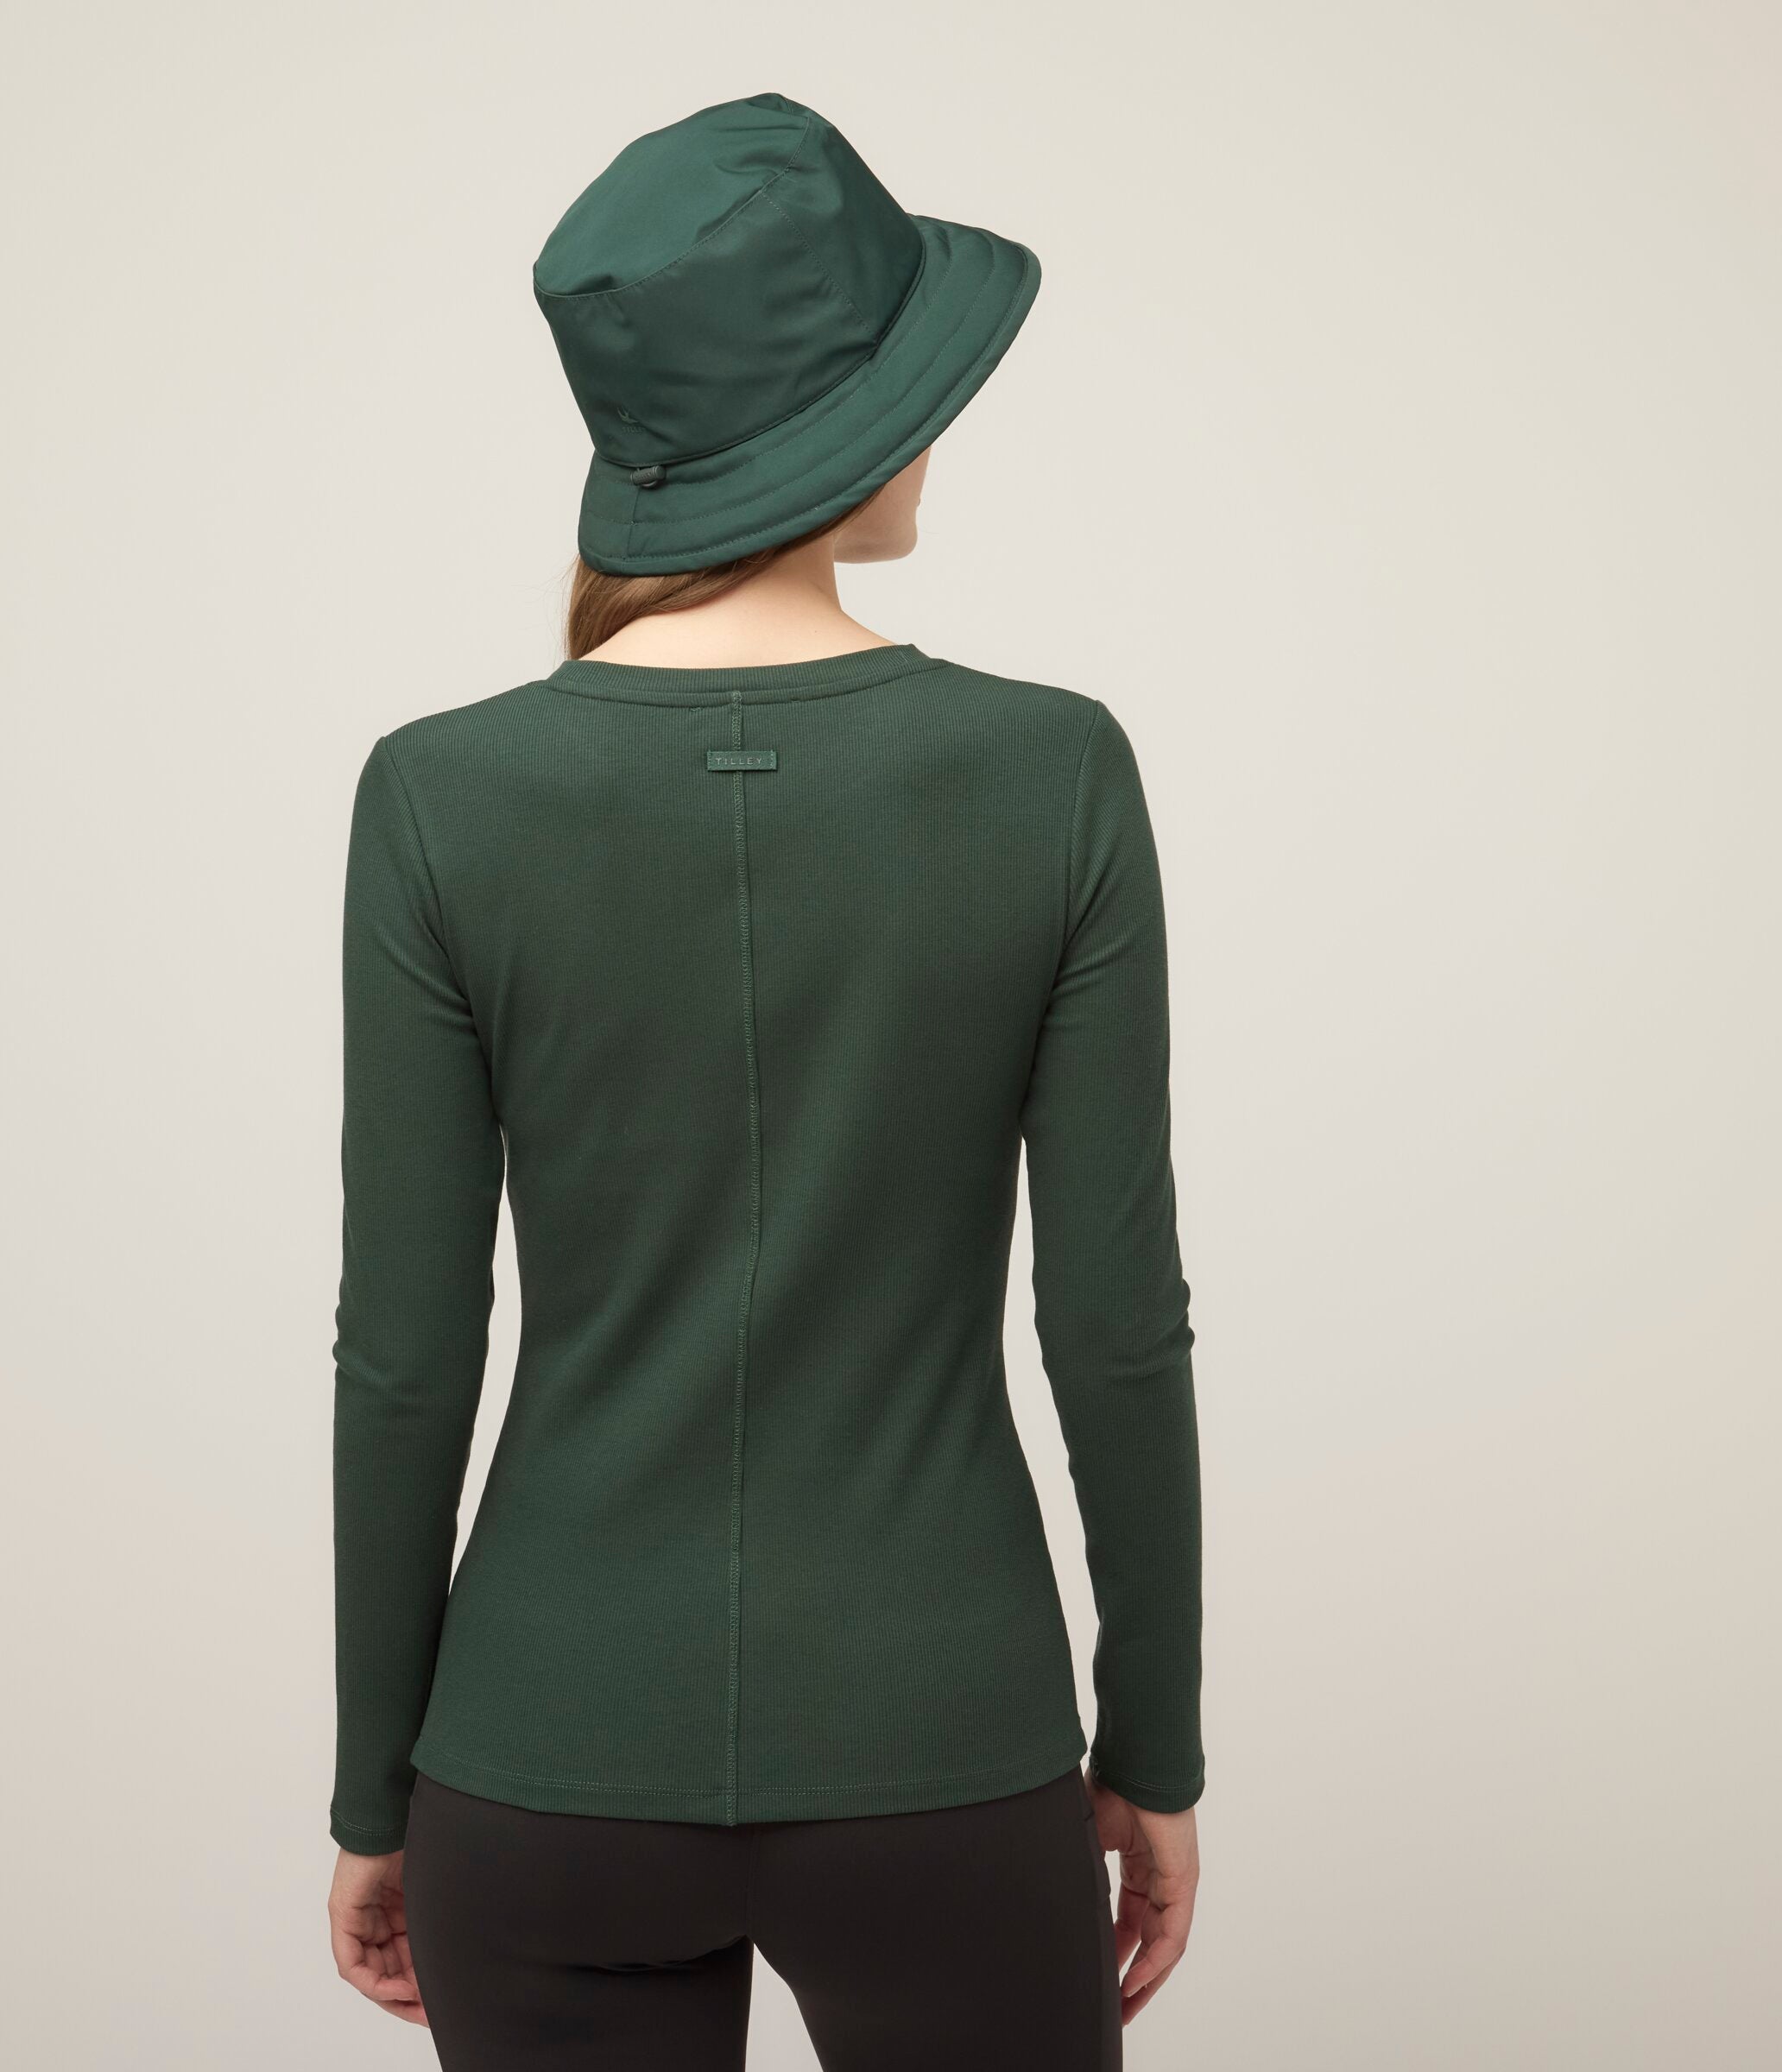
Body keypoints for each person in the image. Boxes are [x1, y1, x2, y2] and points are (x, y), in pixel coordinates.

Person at [324, 92, 1204, 2070]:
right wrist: (1154, 1750)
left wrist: (378, 1791)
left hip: (539, 1756)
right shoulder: (1054, 770)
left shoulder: (441, 796)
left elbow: (405, 1357)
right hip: (942, 1749)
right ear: (846, 423)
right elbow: (1114, 1324)